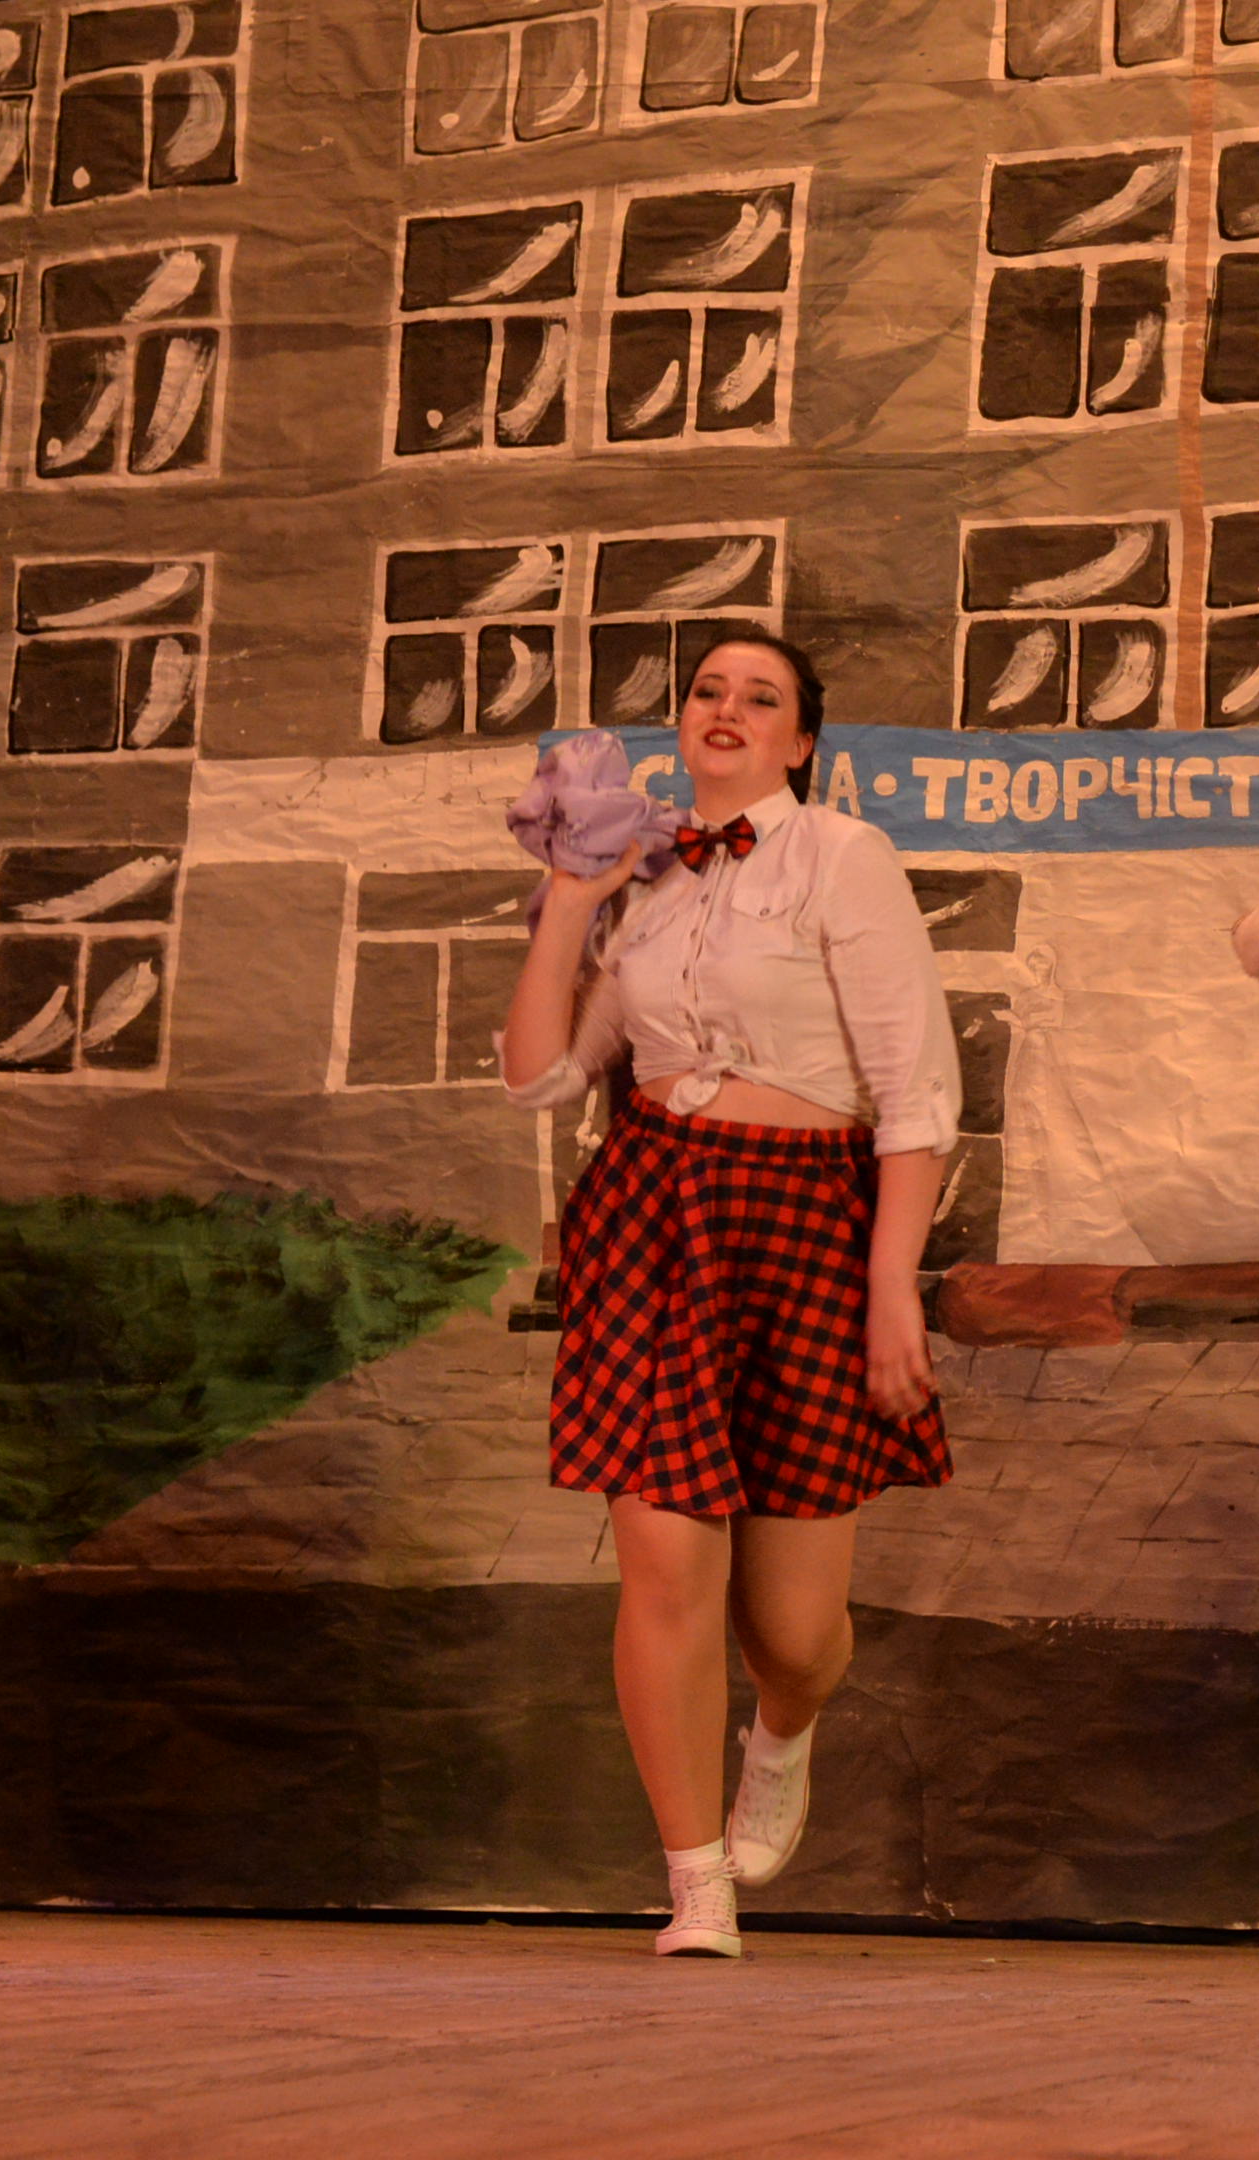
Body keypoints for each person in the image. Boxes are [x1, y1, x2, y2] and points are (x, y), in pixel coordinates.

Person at [499, 627, 957, 1960]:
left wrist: (892, 1286)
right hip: (655, 1216)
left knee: (795, 1633)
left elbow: (917, 1095)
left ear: (801, 740)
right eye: (708, 691)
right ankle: (695, 1880)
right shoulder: (642, 877)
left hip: (809, 1217)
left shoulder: (843, 856)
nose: (728, 709)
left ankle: (784, 1728)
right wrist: (572, 899)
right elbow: (541, 1076)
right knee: (664, 1558)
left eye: (762, 698)